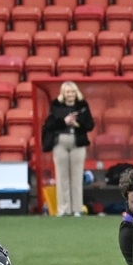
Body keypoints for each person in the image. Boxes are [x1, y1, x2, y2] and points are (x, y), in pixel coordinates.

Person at [39, 82, 94, 216]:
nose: (70, 94)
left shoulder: (82, 106)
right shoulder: (56, 106)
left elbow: (89, 125)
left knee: (76, 176)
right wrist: (64, 121)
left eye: (72, 92)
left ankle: (77, 209)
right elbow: (49, 125)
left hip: (77, 142)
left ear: (76, 93)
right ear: (63, 94)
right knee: (61, 176)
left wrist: (76, 123)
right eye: (67, 92)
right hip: (60, 142)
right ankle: (63, 209)